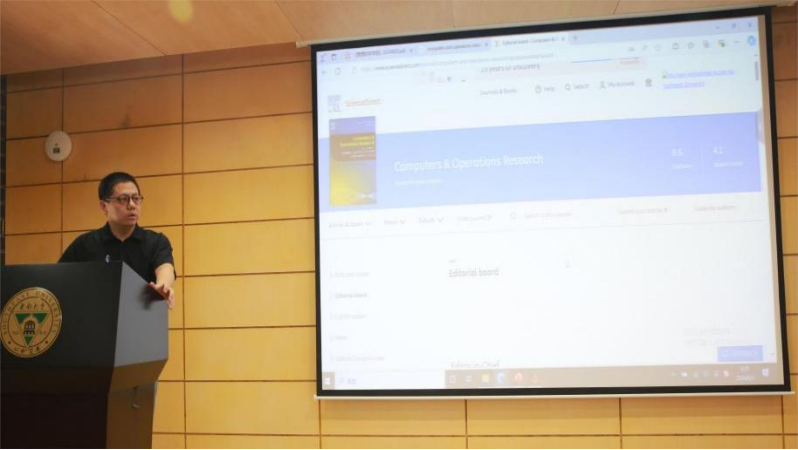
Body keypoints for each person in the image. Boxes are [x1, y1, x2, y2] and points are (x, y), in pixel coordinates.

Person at [59, 172, 176, 308]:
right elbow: (60, 278)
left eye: (136, 198)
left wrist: (162, 287)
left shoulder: (156, 241)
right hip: (98, 317)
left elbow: (165, 268)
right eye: (123, 199)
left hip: (142, 316)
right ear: (104, 206)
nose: (132, 205)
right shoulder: (85, 244)